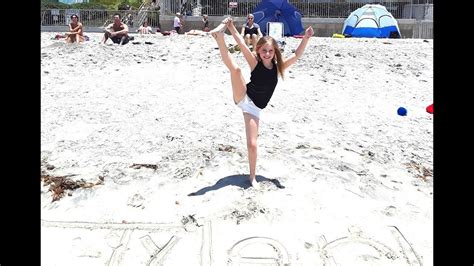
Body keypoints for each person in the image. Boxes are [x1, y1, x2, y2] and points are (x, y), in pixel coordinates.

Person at [209, 17, 314, 189]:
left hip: (254, 109)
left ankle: (252, 177)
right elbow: (241, 44)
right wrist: (231, 27)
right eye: (264, 50)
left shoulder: (279, 67)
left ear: (275, 52)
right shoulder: (255, 62)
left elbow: (296, 55)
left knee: (252, 144)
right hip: (243, 96)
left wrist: (306, 38)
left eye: (270, 51)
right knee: (235, 70)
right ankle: (219, 38)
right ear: (259, 50)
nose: (266, 54)